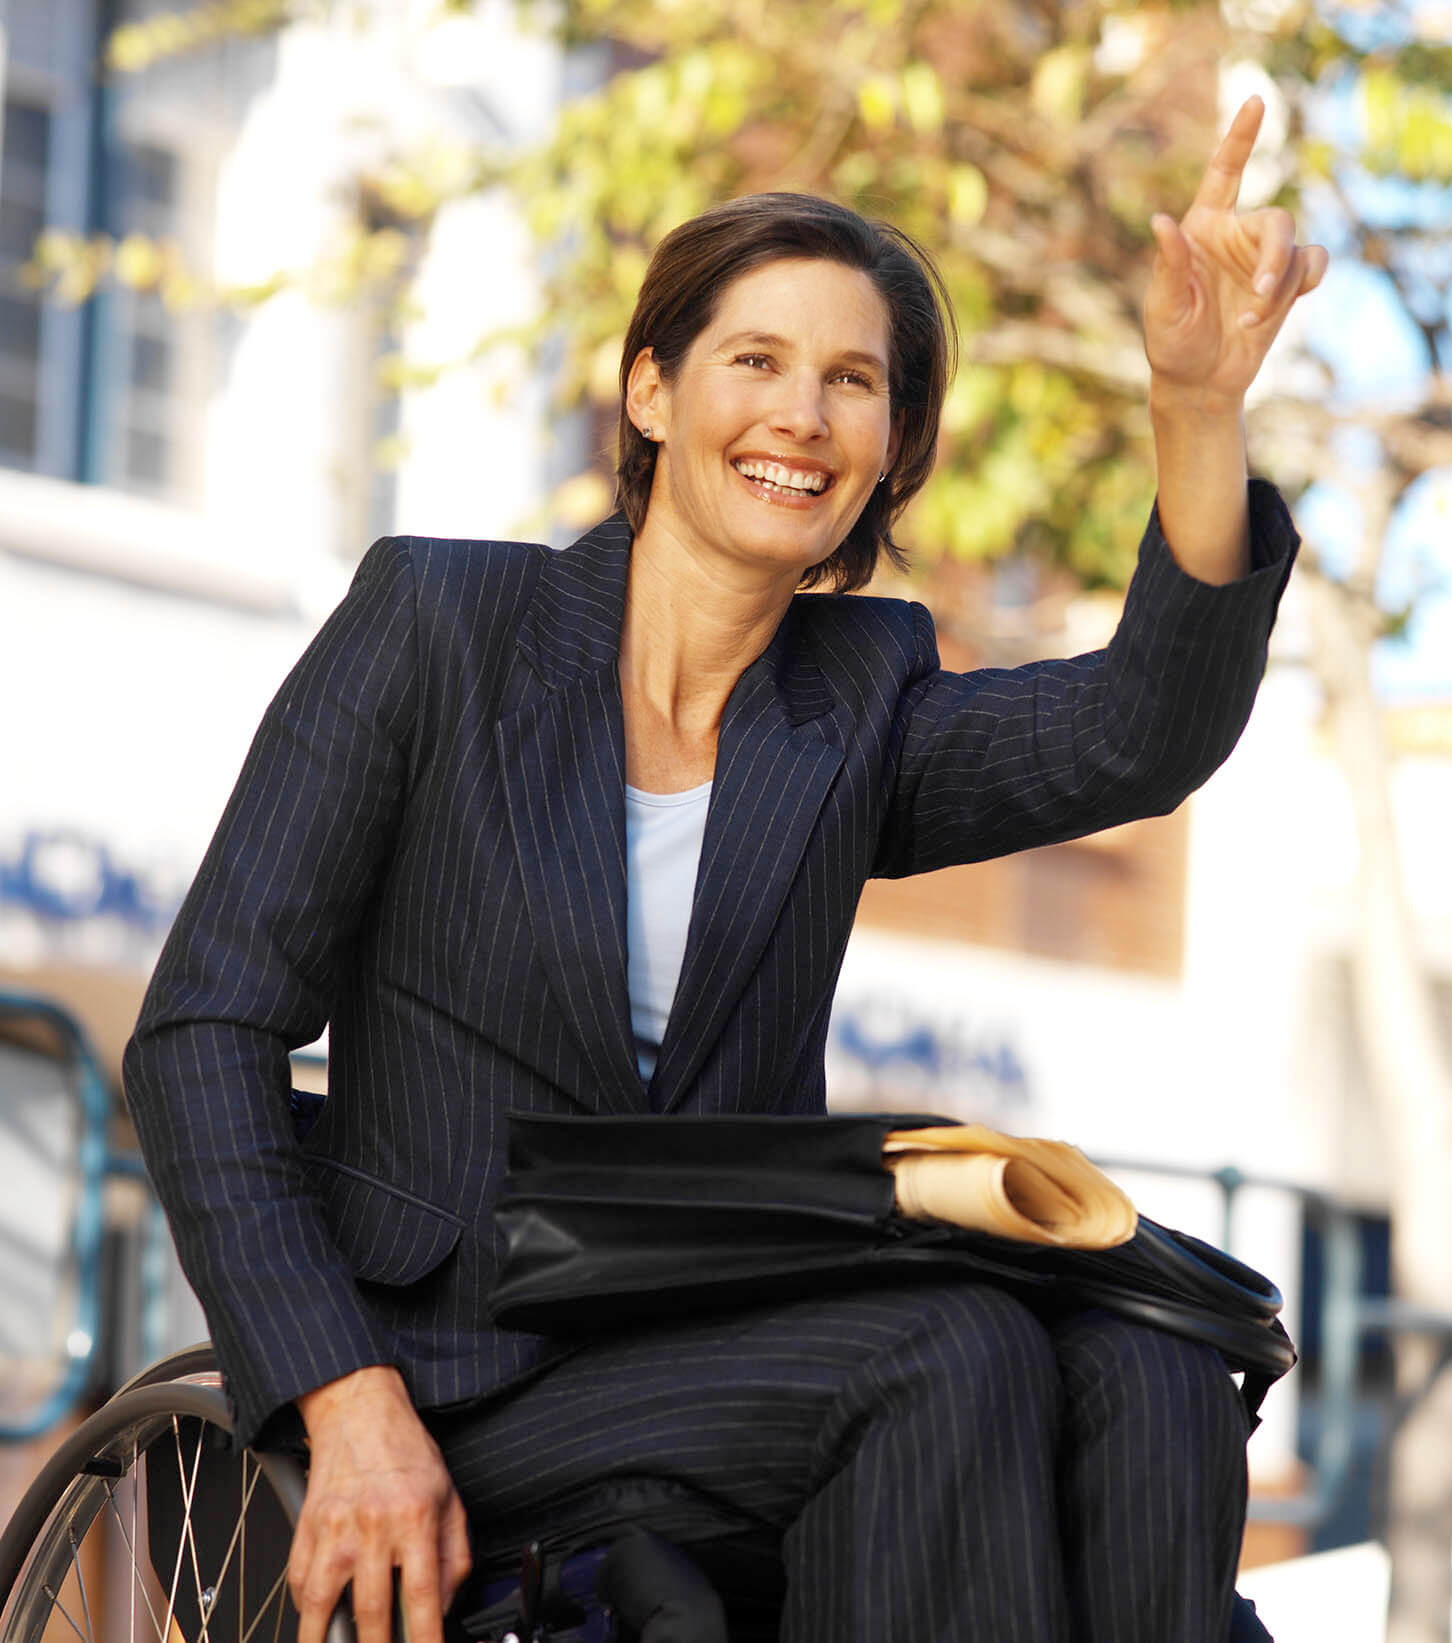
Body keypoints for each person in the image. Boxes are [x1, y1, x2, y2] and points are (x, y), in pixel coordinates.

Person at [124, 96, 1325, 1643]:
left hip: (733, 1342)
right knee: (946, 1350)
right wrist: (345, 1399)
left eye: (853, 382)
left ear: (892, 446)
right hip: (448, 1371)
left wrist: (1195, 405)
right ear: (650, 390)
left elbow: (1136, 738)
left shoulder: (852, 704)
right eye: (755, 361)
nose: (801, 417)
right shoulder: (440, 628)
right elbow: (202, 1033)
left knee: (1152, 1366)